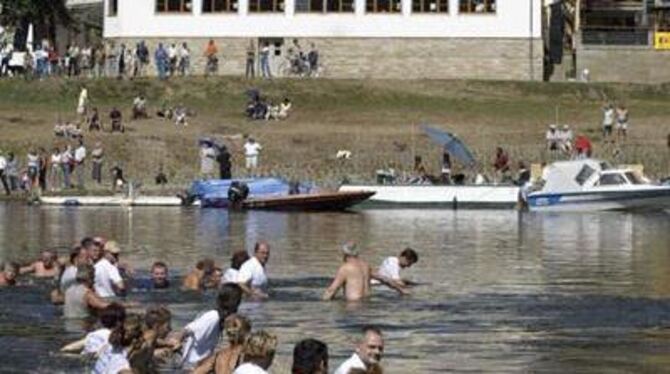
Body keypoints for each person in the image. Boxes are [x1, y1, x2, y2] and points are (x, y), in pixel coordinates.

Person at [171, 283, 243, 369]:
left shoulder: (222, 318)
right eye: (239, 299)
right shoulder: (212, 316)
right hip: (191, 366)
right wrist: (177, 342)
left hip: (201, 364)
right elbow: (186, 330)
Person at [322, 242, 408, 302]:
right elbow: (383, 279)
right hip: (367, 303)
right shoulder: (366, 266)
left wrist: (323, 303)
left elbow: (332, 290)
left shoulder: (345, 268)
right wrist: (401, 290)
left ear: (345, 254)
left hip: (352, 306)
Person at [60, 302, 126, 356]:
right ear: (120, 321)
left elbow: (67, 348)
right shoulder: (114, 337)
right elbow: (102, 352)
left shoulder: (93, 334)